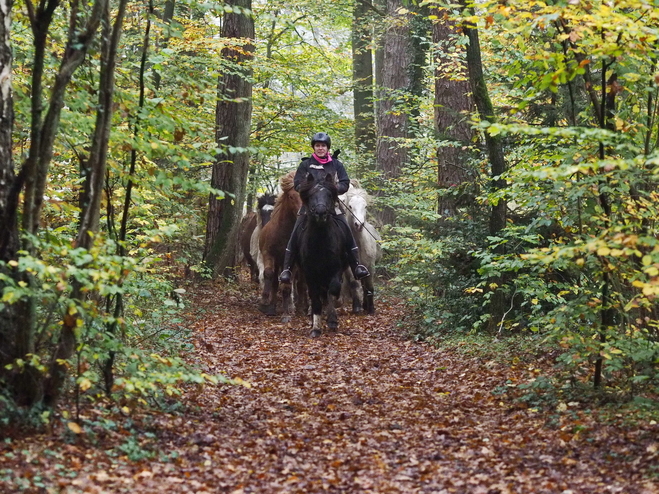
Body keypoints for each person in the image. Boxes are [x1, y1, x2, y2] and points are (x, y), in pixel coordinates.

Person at [279, 132, 370, 284]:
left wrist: (333, 188)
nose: (320, 148)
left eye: (323, 146)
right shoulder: (305, 164)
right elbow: (298, 184)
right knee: (295, 232)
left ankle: (356, 266)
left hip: (332, 205)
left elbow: (345, 182)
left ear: (327, 148)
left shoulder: (336, 164)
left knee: (346, 230)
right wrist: (311, 189)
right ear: (314, 147)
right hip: (309, 207)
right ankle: (287, 269)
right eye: (317, 146)